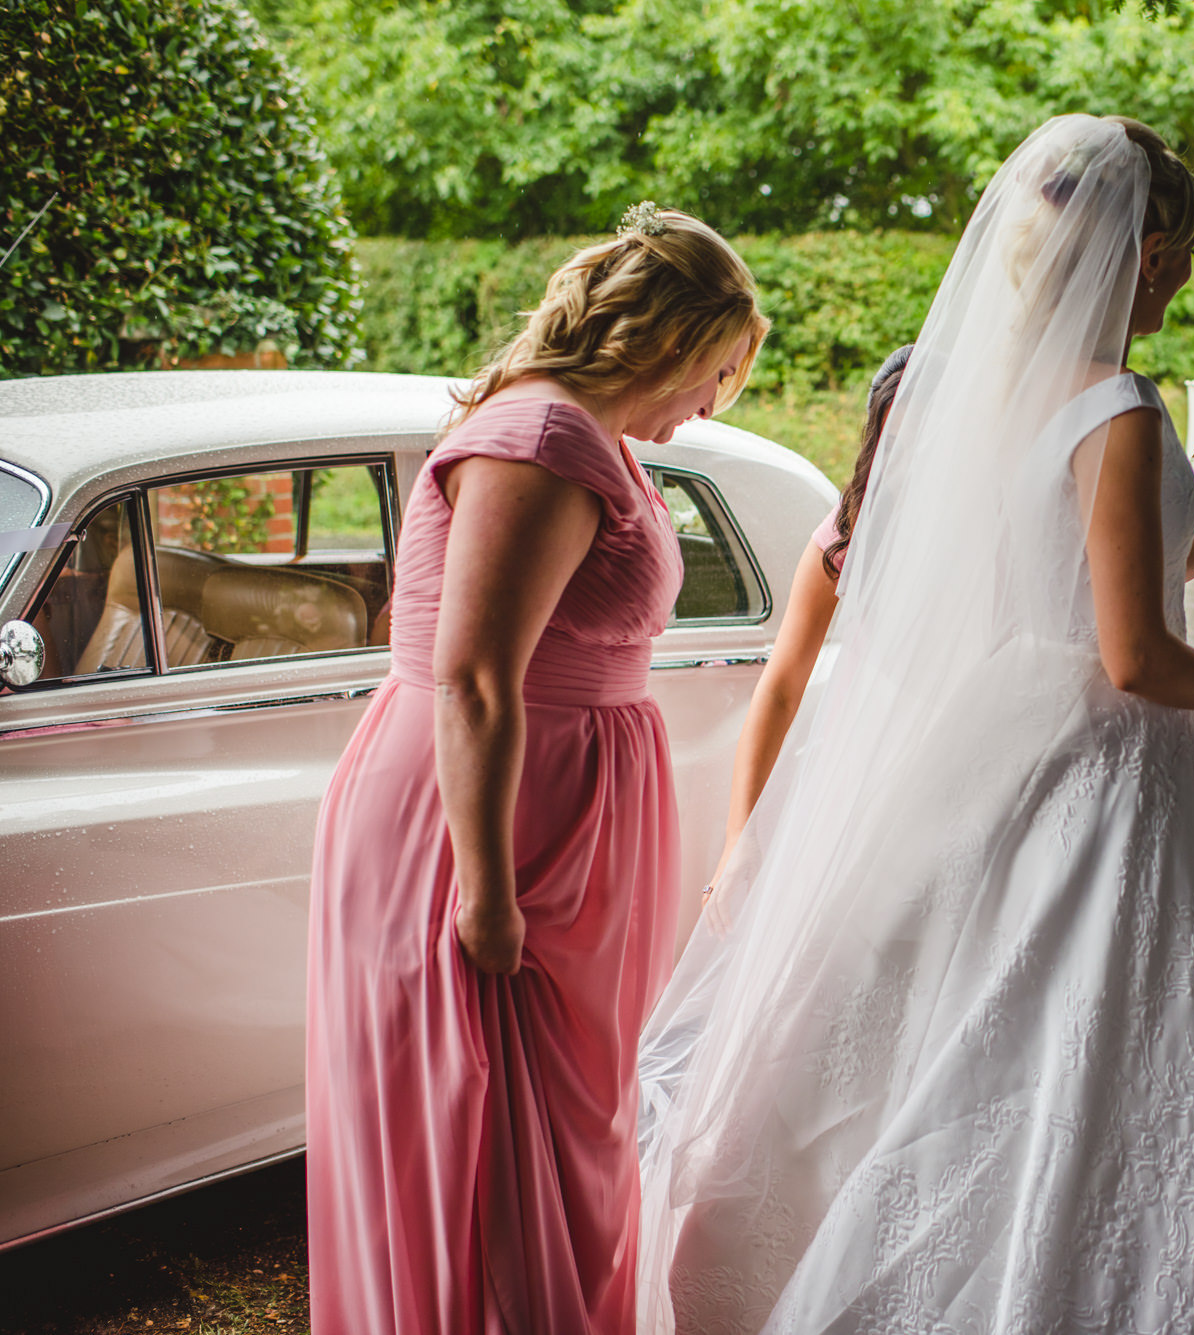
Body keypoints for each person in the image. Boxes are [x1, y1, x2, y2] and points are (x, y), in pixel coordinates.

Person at [632, 116, 1194, 1333]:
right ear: (1145, 252)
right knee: (1135, 1037)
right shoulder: (1120, 407)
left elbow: (1089, 580)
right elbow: (1136, 652)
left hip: (1009, 739)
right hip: (1115, 767)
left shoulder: (998, 398)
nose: (1190, 272)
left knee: (989, 1027)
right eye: (1186, 246)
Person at [306, 204, 767, 1333]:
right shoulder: (538, 440)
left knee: (559, 1128)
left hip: (561, 813)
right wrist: (485, 893)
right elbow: (471, 676)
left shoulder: (589, 434)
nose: (713, 402)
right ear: (665, 338)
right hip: (488, 826)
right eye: (716, 370)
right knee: (489, 1134)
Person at [706, 343, 912, 890]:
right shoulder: (845, 538)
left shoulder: (1003, 526)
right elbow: (781, 684)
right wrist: (738, 837)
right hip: (870, 776)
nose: (913, 458)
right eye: (896, 442)